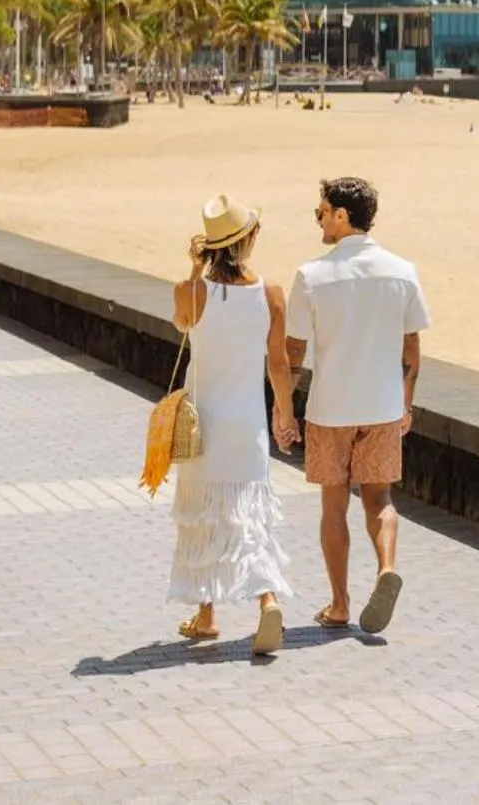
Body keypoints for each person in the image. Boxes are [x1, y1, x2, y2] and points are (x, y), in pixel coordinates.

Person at [286, 177, 431, 635]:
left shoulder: (312, 275)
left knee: (333, 507)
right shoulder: (402, 271)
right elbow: (411, 350)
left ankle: (340, 605)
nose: (320, 220)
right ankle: (387, 568)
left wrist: (283, 409)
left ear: (343, 216)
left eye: (322, 212)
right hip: (383, 405)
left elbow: (293, 351)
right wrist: (406, 404)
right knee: (380, 500)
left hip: (331, 409)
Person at [168, 195, 298, 655]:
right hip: (247, 424)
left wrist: (192, 270)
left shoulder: (192, 292)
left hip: (203, 424)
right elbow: (278, 366)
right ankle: (266, 601)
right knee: (250, 517)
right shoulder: (271, 293)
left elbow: (183, 321)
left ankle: (206, 616)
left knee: (204, 515)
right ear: (249, 240)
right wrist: (285, 414)